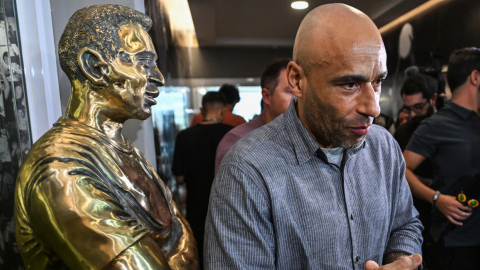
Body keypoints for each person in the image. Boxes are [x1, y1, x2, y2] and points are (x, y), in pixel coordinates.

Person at [205, 4, 423, 270]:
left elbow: (405, 224)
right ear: (297, 80)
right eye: (349, 84)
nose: (373, 108)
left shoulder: (383, 146)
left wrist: (400, 259)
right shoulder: (246, 171)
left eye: (377, 81)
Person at [14, 5, 198, 270]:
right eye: (144, 63)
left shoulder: (121, 150)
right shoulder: (59, 166)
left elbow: (184, 239)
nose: (157, 78)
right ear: (94, 67)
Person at [404, 47, 480, 269]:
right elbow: (401, 169)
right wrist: (436, 197)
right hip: (455, 243)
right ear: (475, 77)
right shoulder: (436, 124)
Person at [172, 91, 234, 269]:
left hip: (196, 211)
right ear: (223, 111)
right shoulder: (232, 135)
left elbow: (180, 178)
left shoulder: (184, 136)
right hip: (226, 209)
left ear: (201, 110)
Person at [214, 59, 293, 173]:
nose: (298, 99)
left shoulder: (301, 137)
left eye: (301, 91)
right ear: (266, 96)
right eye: (290, 91)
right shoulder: (237, 140)